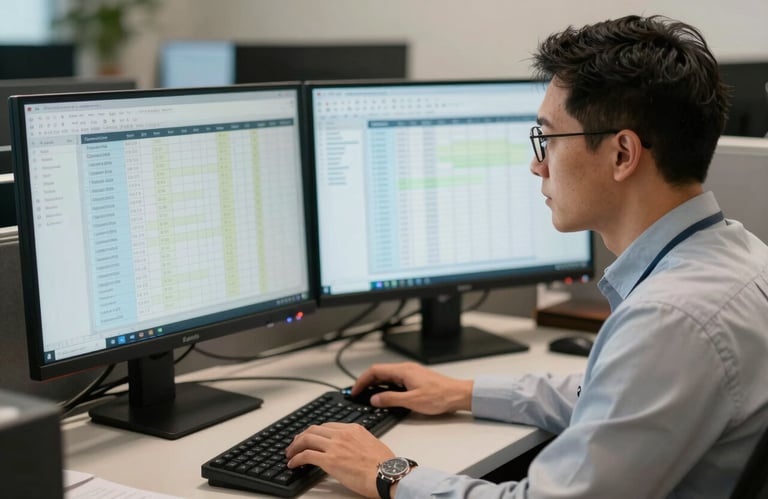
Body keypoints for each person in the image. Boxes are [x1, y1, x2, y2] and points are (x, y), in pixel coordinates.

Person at [286, 14, 768, 498]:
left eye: (548, 138)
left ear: (622, 154)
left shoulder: (670, 319)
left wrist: (389, 473)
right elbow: (615, 401)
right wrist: (464, 392)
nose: (537, 164)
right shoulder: (739, 257)